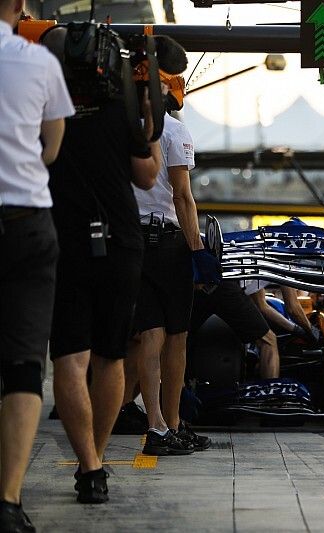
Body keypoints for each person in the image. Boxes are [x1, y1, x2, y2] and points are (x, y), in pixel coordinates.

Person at [42, 27, 177, 503]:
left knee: (70, 358)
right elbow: (146, 177)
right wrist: (149, 125)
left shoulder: (46, 106)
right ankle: (94, 465)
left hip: (62, 238)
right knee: (110, 356)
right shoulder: (120, 111)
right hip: (119, 240)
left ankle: (90, 463)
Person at [0, 2, 73, 529]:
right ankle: (7, 502)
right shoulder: (39, 61)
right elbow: (51, 148)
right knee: (25, 362)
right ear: (19, 7)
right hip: (25, 218)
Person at [127, 73, 216, 456]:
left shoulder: (123, 129)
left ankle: (156, 427)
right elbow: (182, 197)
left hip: (132, 241)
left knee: (149, 335)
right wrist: (198, 251)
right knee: (176, 337)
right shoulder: (175, 132)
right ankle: (174, 423)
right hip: (168, 243)